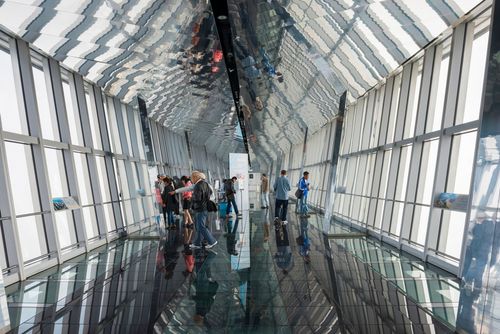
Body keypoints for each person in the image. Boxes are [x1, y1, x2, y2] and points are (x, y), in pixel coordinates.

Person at [172, 171, 217, 249]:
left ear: (195, 177)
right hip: (203, 208)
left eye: (192, 177)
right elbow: (188, 188)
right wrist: (176, 191)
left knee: (201, 226)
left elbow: (198, 198)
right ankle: (197, 243)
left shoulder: (198, 185)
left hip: (201, 208)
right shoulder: (205, 184)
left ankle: (212, 241)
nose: (191, 179)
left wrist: (191, 198)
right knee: (199, 226)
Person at [181, 176, 194, 246]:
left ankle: (191, 221)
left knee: (186, 210)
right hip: (188, 198)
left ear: (184, 180)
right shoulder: (189, 183)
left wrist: (183, 195)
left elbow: (186, 191)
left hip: (187, 198)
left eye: (182, 181)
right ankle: (186, 222)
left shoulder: (187, 184)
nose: (182, 182)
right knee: (186, 210)